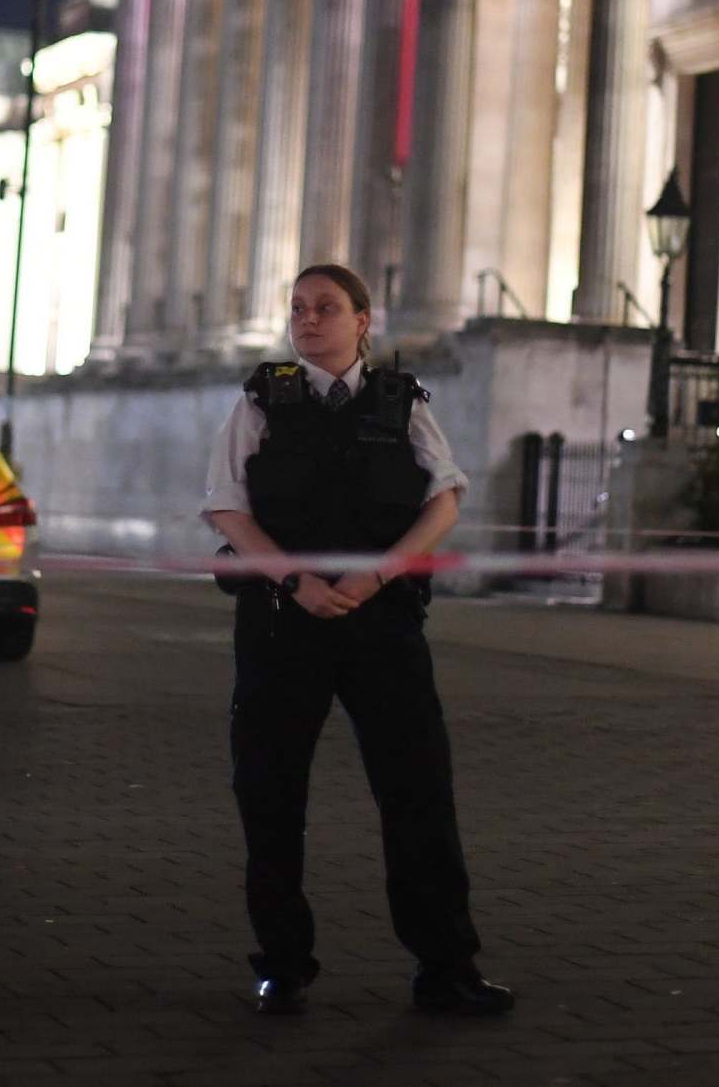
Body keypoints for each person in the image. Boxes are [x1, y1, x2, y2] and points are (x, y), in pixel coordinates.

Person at [203, 262, 514, 1019]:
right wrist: (296, 582)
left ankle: (445, 967)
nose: (308, 320)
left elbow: (445, 497)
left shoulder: (400, 402)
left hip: (381, 623)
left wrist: (377, 577)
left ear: (362, 321)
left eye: (326, 307)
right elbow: (225, 510)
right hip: (284, 622)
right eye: (299, 308)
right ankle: (281, 964)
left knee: (417, 794)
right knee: (271, 796)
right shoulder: (259, 400)